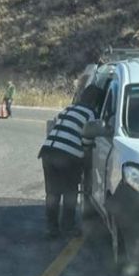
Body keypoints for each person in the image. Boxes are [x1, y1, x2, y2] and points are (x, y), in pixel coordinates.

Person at [38, 85, 103, 239]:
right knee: (70, 192)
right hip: (68, 155)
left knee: (52, 193)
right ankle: (68, 227)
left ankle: (51, 228)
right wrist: (87, 168)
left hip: (48, 151)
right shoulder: (91, 114)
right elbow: (87, 142)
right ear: (96, 102)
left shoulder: (69, 109)